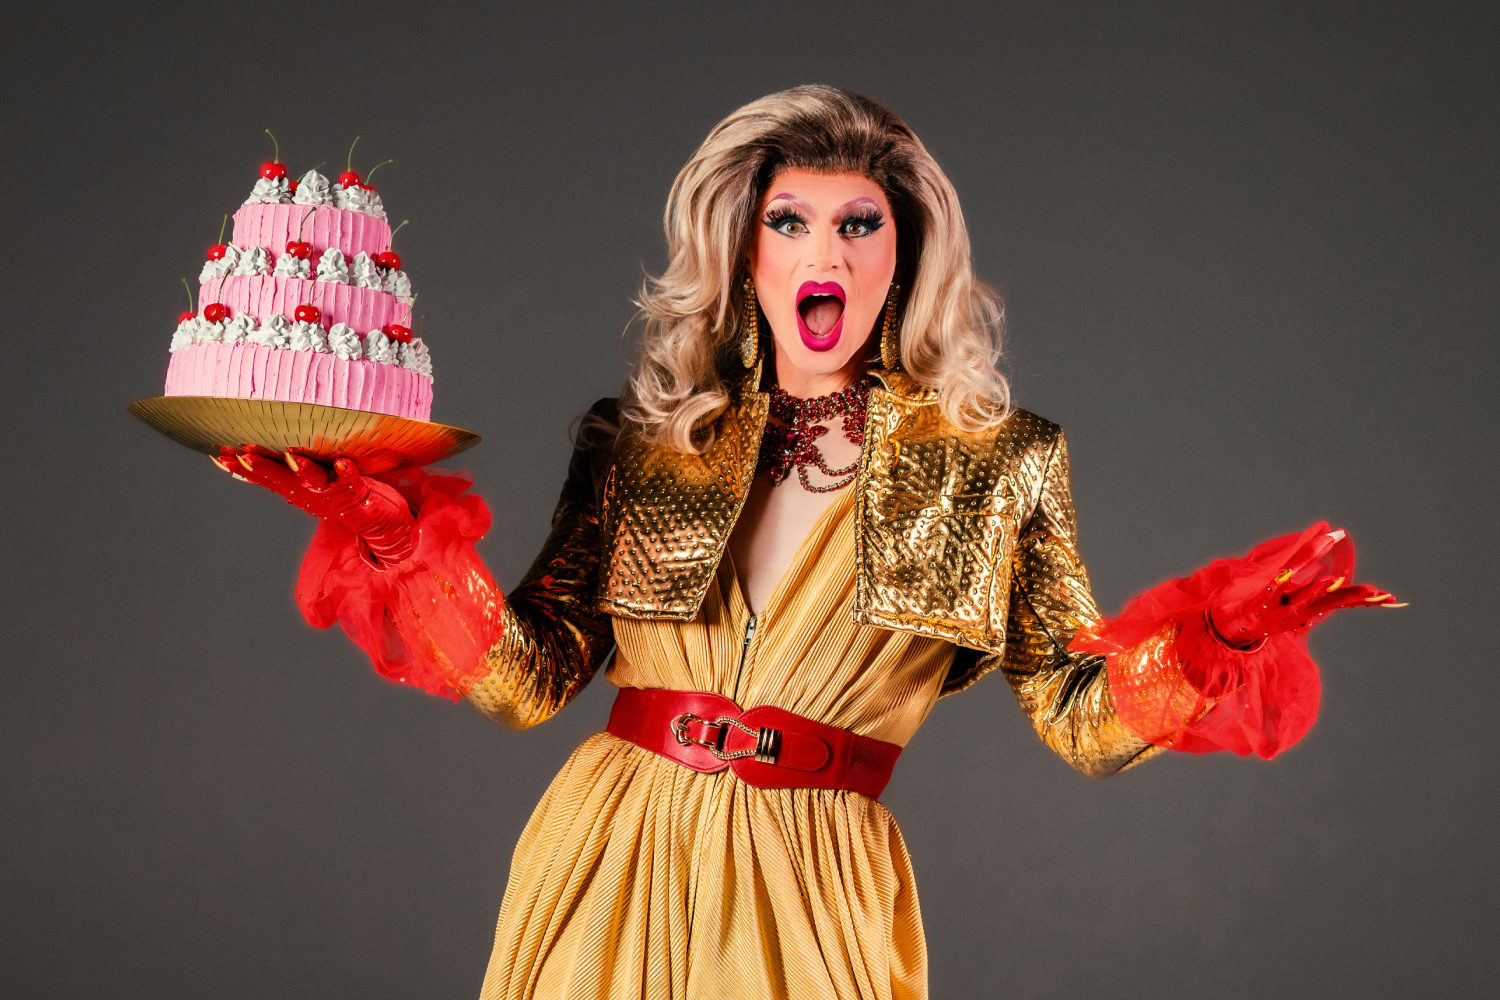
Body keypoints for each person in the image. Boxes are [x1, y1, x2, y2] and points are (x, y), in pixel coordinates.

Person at [215, 85, 1399, 1000]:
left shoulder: (997, 459)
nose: (824, 254)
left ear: (904, 254)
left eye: (858, 225)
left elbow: (1083, 719)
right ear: (746, 250)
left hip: (813, 874)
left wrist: (1215, 640)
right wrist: (398, 544)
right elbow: (526, 681)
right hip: (610, 852)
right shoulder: (644, 438)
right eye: (790, 222)